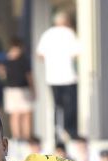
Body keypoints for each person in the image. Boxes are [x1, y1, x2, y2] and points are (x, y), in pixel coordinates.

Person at [36, 11, 81, 139]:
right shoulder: (69, 33)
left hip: (52, 76)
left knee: (57, 105)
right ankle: (70, 131)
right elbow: (77, 53)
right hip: (68, 76)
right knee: (71, 105)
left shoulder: (47, 34)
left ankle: (57, 131)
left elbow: (39, 55)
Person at [3, 38, 34, 141]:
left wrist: (33, 89)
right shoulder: (6, 60)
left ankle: (27, 136)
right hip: (11, 90)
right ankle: (17, 137)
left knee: (26, 113)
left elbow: (29, 76)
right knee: (15, 114)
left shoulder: (24, 60)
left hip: (24, 89)